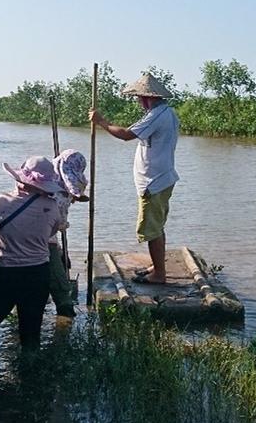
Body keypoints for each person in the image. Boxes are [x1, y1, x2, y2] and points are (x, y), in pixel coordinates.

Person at [0, 156, 65, 358]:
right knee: (30, 336)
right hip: (39, 274)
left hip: (7, 275)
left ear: (21, 179)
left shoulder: (2, 201)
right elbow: (51, 233)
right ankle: (31, 379)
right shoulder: (53, 207)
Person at [89, 71, 179, 284]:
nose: (139, 102)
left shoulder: (157, 115)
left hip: (154, 181)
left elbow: (126, 135)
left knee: (151, 229)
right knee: (157, 226)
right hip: (161, 178)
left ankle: (159, 275)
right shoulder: (166, 113)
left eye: (140, 98)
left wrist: (102, 121)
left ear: (149, 98)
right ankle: (157, 266)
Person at [48, 149, 88, 318]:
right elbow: (57, 225)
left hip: (13, 244)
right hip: (41, 242)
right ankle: (65, 329)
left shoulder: (45, 179)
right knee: (62, 289)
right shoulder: (60, 196)